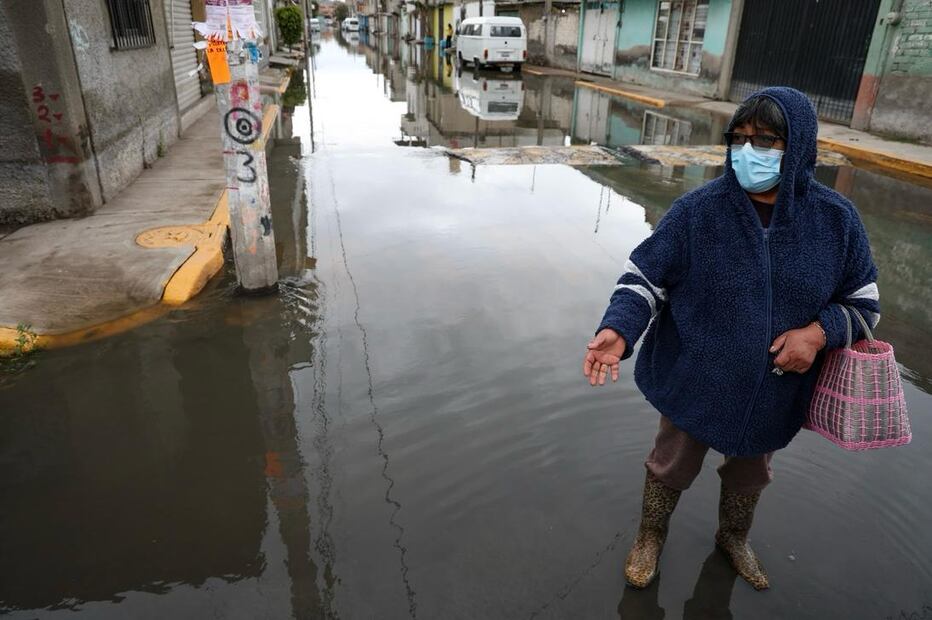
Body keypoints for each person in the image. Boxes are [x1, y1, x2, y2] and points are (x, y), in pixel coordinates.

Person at [583, 87, 879, 591]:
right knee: (669, 464)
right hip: (694, 376)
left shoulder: (835, 221)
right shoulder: (697, 212)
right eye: (739, 138)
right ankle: (651, 535)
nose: (748, 151)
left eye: (766, 140)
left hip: (775, 387)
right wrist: (618, 329)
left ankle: (733, 538)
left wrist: (816, 333)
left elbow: (865, 305)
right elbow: (644, 278)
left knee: (751, 473)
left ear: (799, 146)